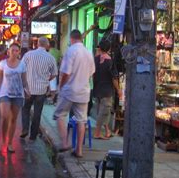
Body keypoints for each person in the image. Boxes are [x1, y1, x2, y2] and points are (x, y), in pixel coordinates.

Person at [53, 29, 95, 158]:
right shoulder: (88, 53)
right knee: (81, 120)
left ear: (71, 38)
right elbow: (92, 72)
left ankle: (65, 143)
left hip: (69, 90)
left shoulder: (71, 51)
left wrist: (61, 86)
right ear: (80, 39)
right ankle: (79, 150)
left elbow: (66, 72)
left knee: (59, 115)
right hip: (84, 91)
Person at [0, 43, 30, 153]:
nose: (14, 52)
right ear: (8, 51)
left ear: (19, 52)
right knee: (5, 116)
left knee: (13, 119)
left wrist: (27, 90)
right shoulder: (2, 63)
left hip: (18, 94)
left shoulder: (22, 65)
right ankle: (3, 140)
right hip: (5, 93)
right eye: (12, 50)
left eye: (16, 51)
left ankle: (9, 143)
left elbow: (24, 80)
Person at [21, 37, 58, 141]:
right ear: (47, 45)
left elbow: (21, 69)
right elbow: (55, 73)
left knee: (25, 109)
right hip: (41, 89)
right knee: (37, 112)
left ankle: (24, 129)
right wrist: (46, 79)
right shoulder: (50, 57)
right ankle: (33, 135)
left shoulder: (28, 55)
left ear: (37, 44)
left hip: (28, 88)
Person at [92, 40, 121, 139]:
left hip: (97, 89)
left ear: (100, 48)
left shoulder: (95, 59)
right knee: (104, 112)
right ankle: (97, 133)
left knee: (103, 111)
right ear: (109, 49)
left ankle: (107, 131)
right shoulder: (110, 61)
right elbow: (114, 78)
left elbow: (92, 74)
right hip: (107, 90)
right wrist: (118, 90)